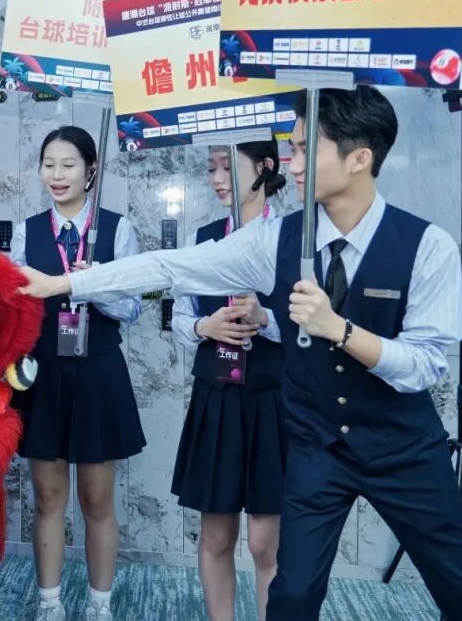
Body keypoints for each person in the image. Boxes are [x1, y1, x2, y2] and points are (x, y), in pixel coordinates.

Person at [19, 87, 462, 621]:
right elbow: (169, 267)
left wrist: (338, 329)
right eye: (292, 149)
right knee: (292, 594)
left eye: (305, 150)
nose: (291, 165)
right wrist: (63, 284)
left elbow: (426, 365)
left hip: (403, 448)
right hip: (318, 447)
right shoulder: (275, 239)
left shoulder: (428, 246)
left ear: (360, 158)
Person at [10, 126, 145, 621]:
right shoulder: (26, 232)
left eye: (68, 164)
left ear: (91, 171)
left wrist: (93, 284)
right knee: (48, 497)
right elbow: (15, 304)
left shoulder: (117, 229)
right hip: (44, 374)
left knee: (96, 499)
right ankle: (49, 604)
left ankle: (98, 605)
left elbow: (133, 308)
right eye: (49, 164)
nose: (57, 174)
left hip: (97, 376)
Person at [170, 140, 286, 621]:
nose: (217, 178)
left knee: (265, 543)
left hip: (272, 400)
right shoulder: (202, 240)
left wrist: (266, 318)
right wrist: (206, 326)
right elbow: (179, 317)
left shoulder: (290, 238)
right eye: (211, 168)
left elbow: (314, 325)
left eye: (227, 167)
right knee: (216, 536)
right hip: (216, 397)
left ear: (265, 167)